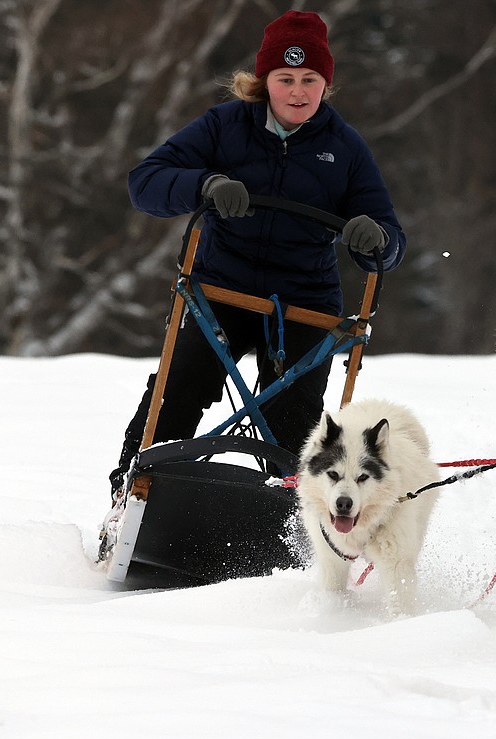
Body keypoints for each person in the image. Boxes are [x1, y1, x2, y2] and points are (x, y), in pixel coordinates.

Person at [108, 10, 404, 499]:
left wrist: (377, 240)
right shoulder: (224, 126)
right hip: (221, 290)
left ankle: (279, 522)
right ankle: (132, 493)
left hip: (305, 301)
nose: (297, 91)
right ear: (263, 81)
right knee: (178, 389)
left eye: (310, 79)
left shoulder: (346, 148)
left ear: (325, 84)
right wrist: (206, 183)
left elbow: (390, 242)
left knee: (293, 423)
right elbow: (145, 183)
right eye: (285, 79)